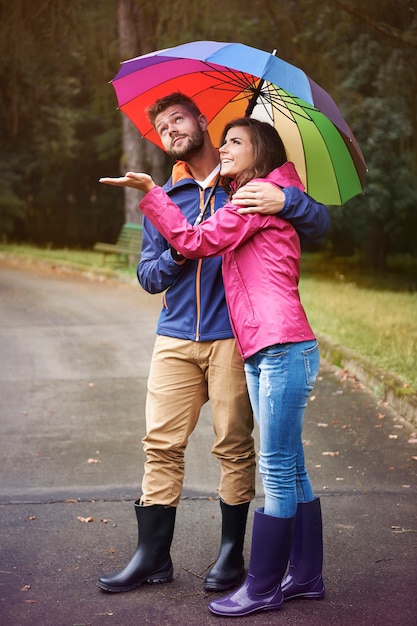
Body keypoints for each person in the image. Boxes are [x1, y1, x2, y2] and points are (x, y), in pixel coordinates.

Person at [97, 93, 329, 598]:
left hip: (235, 339)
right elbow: (148, 274)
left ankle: (233, 555)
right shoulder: (174, 194)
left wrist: (286, 199)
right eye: (161, 127)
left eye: (178, 119)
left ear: (202, 120)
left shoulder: (247, 186)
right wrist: (178, 253)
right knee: (160, 445)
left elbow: (319, 223)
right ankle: (152, 557)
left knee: (236, 448)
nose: (171, 131)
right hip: (176, 336)